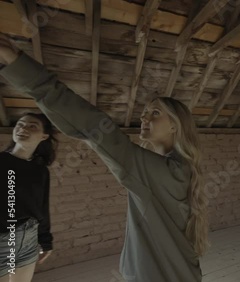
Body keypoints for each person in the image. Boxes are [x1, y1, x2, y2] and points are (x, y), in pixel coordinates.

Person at [0, 34, 209, 281]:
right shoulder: (177, 168)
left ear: (176, 126)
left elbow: (94, 127)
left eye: (155, 113)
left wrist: (20, 64)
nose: (144, 118)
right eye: (144, 112)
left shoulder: (165, 171)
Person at [0, 113, 57, 282]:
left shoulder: (41, 170)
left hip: (29, 238)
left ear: (44, 136)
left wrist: (46, 240)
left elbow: (42, 207)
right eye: (20, 124)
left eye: (32, 126)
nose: (23, 128)